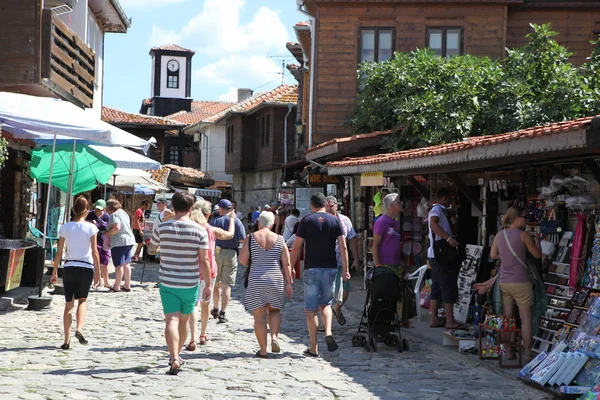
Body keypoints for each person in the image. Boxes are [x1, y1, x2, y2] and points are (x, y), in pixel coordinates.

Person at [148, 192, 212, 375]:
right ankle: (177, 355)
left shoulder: (163, 227)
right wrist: (207, 284)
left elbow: (151, 250)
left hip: (168, 281)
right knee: (183, 321)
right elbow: (204, 260)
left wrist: (161, 246)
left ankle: (174, 357)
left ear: (172, 206)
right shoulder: (200, 230)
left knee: (171, 320)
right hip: (190, 282)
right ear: (191, 208)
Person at [290, 192, 349, 357]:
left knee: (311, 309)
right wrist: (345, 269)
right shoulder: (335, 220)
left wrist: (289, 266)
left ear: (312, 205)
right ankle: (328, 331)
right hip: (330, 267)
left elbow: (297, 246)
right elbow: (343, 246)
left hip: (311, 268)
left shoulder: (306, 220)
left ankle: (314, 347)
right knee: (326, 304)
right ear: (325, 204)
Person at [489, 206, 541, 361]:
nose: (527, 220)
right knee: (525, 318)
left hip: (505, 281)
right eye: (525, 217)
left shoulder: (499, 235)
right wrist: (537, 241)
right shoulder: (524, 235)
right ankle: (527, 353)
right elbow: (537, 255)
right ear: (517, 218)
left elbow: (493, 255)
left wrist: (506, 258)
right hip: (521, 282)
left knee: (508, 318)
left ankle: (509, 351)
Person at [240, 211, 293, 358]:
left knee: (259, 316)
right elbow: (287, 263)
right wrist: (288, 283)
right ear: (272, 224)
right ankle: (274, 337)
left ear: (258, 223)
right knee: (275, 310)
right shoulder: (280, 239)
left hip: (256, 278)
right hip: (275, 278)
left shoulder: (250, 238)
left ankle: (263, 350)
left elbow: (243, 260)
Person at [186, 200, 236, 350]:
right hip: (209, 270)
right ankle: (203, 334)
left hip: (192, 270)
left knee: (194, 304)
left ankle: (193, 338)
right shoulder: (211, 230)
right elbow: (230, 235)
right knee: (205, 304)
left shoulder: (189, 228)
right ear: (208, 215)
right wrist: (232, 220)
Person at [51, 196, 100, 349]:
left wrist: (54, 272)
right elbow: (95, 252)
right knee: (82, 300)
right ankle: (79, 328)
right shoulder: (92, 228)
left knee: (68, 304)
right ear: (87, 211)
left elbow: (59, 252)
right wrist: (98, 273)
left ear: (73, 210)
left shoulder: (65, 227)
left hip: (69, 267)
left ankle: (66, 340)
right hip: (86, 267)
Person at [428, 188, 464, 329]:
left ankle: (435, 318)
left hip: (434, 255)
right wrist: (448, 238)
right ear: (444, 197)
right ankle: (450, 320)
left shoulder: (444, 211)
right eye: (449, 197)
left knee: (436, 286)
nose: (451, 200)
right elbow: (433, 223)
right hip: (441, 254)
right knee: (448, 285)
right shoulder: (437, 209)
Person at [325, 196, 360, 327]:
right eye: (326, 205)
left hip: (342, 261)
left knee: (345, 290)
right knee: (326, 293)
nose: (328, 207)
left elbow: (351, 239)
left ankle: (337, 308)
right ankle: (325, 322)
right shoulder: (321, 220)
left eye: (331, 205)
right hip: (326, 262)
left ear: (336, 206)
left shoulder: (345, 220)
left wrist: (356, 258)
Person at [210, 199, 246, 323]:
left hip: (216, 253)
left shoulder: (214, 221)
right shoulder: (237, 221)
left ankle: (215, 308)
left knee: (216, 283)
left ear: (220, 208)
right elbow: (242, 240)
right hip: (231, 253)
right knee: (227, 285)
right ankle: (223, 313)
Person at [372, 193, 406, 320]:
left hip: (396, 264)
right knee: (385, 294)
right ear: (391, 205)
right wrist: (378, 265)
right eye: (398, 201)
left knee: (396, 294)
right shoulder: (381, 222)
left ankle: (396, 318)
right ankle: (382, 318)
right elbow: (375, 244)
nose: (401, 203)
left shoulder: (396, 223)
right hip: (385, 264)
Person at [105, 200, 136, 292]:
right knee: (126, 263)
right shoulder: (123, 213)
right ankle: (127, 285)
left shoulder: (114, 215)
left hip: (119, 242)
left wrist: (108, 233)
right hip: (129, 240)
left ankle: (117, 286)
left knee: (118, 265)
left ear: (110, 207)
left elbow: (117, 227)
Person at [86, 199, 111, 288]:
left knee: (105, 262)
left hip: (104, 241)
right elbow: (83, 223)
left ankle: (106, 282)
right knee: (95, 262)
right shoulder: (90, 214)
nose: (97, 211)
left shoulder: (107, 216)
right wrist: (90, 222)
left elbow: (109, 228)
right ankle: (96, 281)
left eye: (100, 210)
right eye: (96, 209)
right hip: (93, 241)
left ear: (104, 209)